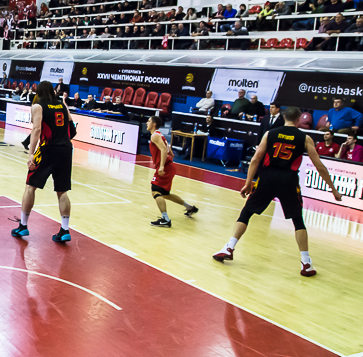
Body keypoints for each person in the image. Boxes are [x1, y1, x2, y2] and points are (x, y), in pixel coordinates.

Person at [212, 107, 343, 276]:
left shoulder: (270, 134)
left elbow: (255, 159)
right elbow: (319, 166)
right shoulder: (305, 138)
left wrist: (248, 182)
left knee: (246, 212)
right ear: (299, 120)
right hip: (289, 179)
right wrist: (333, 189)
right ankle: (306, 262)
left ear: (283, 117)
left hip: (267, 177)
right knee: (298, 220)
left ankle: (229, 247)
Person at [10, 81, 74, 243]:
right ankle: (65, 229)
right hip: (66, 150)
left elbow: (37, 129)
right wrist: (61, 139)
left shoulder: (38, 106)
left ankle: (23, 225)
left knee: (30, 186)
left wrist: (31, 153)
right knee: (62, 190)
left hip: (47, 149)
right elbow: (72, 130)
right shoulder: (62, 105)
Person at [147, 116, 198, 227]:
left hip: (165, 167)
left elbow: (164, 149)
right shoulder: (160, 135)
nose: (147, 123)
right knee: (165, 194)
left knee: (155, 191)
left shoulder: (155, 136)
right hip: (169, 166)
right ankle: (189, 207)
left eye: (149, 121)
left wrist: (161, 166)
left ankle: (165, 219)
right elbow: (170, 151)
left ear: (154, 124)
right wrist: (168, 160)